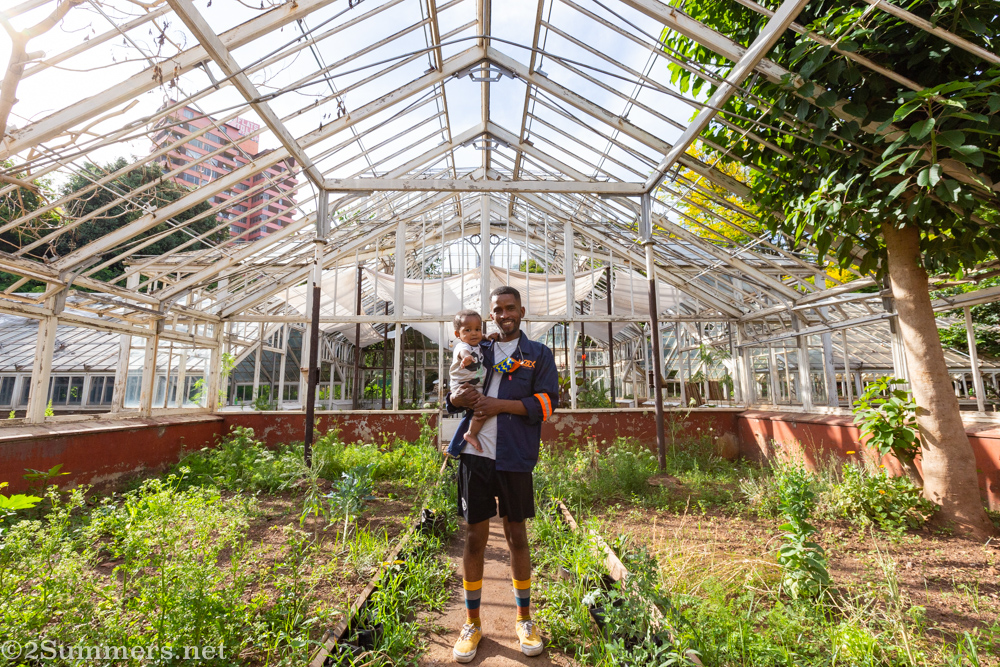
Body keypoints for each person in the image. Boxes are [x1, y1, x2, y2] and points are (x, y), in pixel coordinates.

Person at [445, 286, 559, 663]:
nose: (504, 314)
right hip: (476, 456)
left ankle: (524, 619)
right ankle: (472, 622)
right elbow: (455, 392)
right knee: (475, 538)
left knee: (516, 535)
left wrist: (499, 405)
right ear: (490, 315)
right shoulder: (482, 348)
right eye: (497, 309)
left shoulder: (537, 355)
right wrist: (453, 400)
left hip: (515, 457)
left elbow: (546, 405)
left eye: (510, 308)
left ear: (522, 311)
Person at [449, 309, 487, 452]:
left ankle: (471, 433)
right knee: (484, 407)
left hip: (472, 385)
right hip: (463, 387)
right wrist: (466, 357)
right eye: (468, 330)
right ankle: (471, 433)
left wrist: (488, 336)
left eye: (477, 329)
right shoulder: (462, 346)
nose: (474, 333)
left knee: (482, 407)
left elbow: (480, 339)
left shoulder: (476, 344)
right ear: (457, 334)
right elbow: (462, 351)